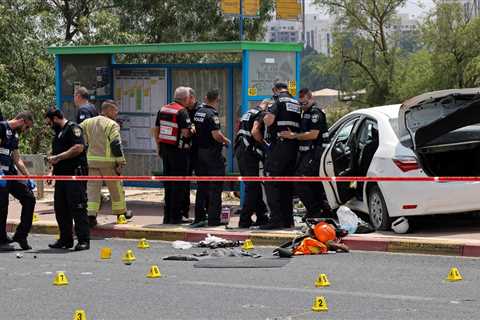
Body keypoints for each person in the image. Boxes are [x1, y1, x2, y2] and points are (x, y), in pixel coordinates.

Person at [279, 88, 331, 219]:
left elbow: (313, 134)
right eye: (300, 101)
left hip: (315, 152)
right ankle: (321, 210)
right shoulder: (305, 113)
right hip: (307, 153)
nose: (302, 104)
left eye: (304, 100)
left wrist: (293, 136)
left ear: (311, 98)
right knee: (312, 183)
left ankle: (314, 210)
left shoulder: (315, 113)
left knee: (299, 181)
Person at [80, 100, 132, 227]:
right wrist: (120, 162)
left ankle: (91, 216)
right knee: (116, 188)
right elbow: (116, 145)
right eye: (115, 110)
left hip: (92, 162)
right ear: (108, 110)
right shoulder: (112, 124)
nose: (116, 113)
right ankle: (121, 213)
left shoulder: (87, 122)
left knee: (92, 190)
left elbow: (80, 137)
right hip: (109, 163)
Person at [45, 108, 90, 251]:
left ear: (56, 118)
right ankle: (65, 239)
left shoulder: (73, 128)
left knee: (78, 207)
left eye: (50, 122)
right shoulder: (58, 133)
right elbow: (55, 154)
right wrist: (51, 172)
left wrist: (58, 157)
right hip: (61, 176)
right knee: (61, 209)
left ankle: (83, 240)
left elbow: (78, 147)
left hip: (75, 175)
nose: (50, 125)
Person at [260, 82, 302, 230]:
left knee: (271, 180)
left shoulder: (277, 101)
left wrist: (265, 111)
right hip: (293, 147)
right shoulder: (296, 103)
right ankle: (287, 220)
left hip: (279, 146)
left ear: (275, 90)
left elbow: (269, 120)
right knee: (286, 184)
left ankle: (275, 219)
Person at [153, 87, 193, 224]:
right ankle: (176, 217)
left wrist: (158, 147)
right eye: (189, 98)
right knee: (179, 184)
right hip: (178, 152)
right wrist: (193, 129)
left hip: (165, 150)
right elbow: (186, 133)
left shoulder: (163, 109)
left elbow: (156, 130)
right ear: (185, 99)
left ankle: (167, 216)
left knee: (168, 183)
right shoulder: (182, 111)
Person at [192, 89, 230, 227]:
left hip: (200, 154)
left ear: (206, 97)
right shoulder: (212, 114)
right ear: (217, 100)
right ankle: (214, 219)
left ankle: (199, 217)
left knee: (202, 186)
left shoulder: (199, 112)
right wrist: (226, 141)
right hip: (212, 155)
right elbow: (216, 135)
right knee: (216, 186)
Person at [0, 112, 36, 250]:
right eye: (27, 127)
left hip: (10, 173)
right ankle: (1, 239)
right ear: (22, 121)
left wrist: (28, 177)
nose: (26, 131)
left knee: (29, 198)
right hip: (0, 175)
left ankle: (21, 235)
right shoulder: (2, 128)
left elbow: (17, 158)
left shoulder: (14, 134)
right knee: (2, 205)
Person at [234, 99, 270, 228]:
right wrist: (265, 145)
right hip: (247, 152)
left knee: (254, 186)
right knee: (252, 187)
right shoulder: (261, 114)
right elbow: (255, 132)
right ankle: (244, 220)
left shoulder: (249, 112)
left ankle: (262, 216)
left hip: (241, 150)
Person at [184, 88, 203, 221]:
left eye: (187, 98)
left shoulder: (201, 110)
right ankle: (184, 212)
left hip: (199, 151)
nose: (185, 101)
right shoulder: (182, 110)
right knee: (184, 182)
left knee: (202, 181)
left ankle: (203, 212)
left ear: (192, 98)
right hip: (185, 151)